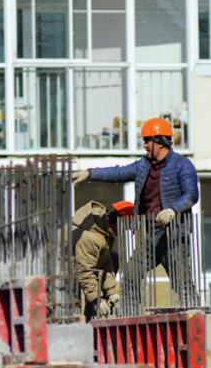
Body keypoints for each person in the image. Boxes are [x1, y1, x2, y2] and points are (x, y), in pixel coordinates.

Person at [73, 117, 198, 283]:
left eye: (147, 141)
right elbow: (118, 173)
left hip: (173, 237)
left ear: (159, 142)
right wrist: (90, 173)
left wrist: (173, 210)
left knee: (183, 283)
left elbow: (191, 195)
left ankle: (192, 310)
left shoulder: (182, 165)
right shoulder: (144, 165)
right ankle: (131, 309)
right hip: (150, 235)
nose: (144, 145)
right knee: (131, 277)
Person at [72, 199, 134, 319]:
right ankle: (85, 320)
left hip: (85, 267)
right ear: (117, 222)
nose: (124, 232)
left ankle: (93, 312)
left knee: (114, 257)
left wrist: (111, 292)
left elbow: (105, 262)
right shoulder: (90, 237)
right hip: (66, 271)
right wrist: (97, 299)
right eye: (125, 228)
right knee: (72, 310)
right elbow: (85, 272)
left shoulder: (105, 231)